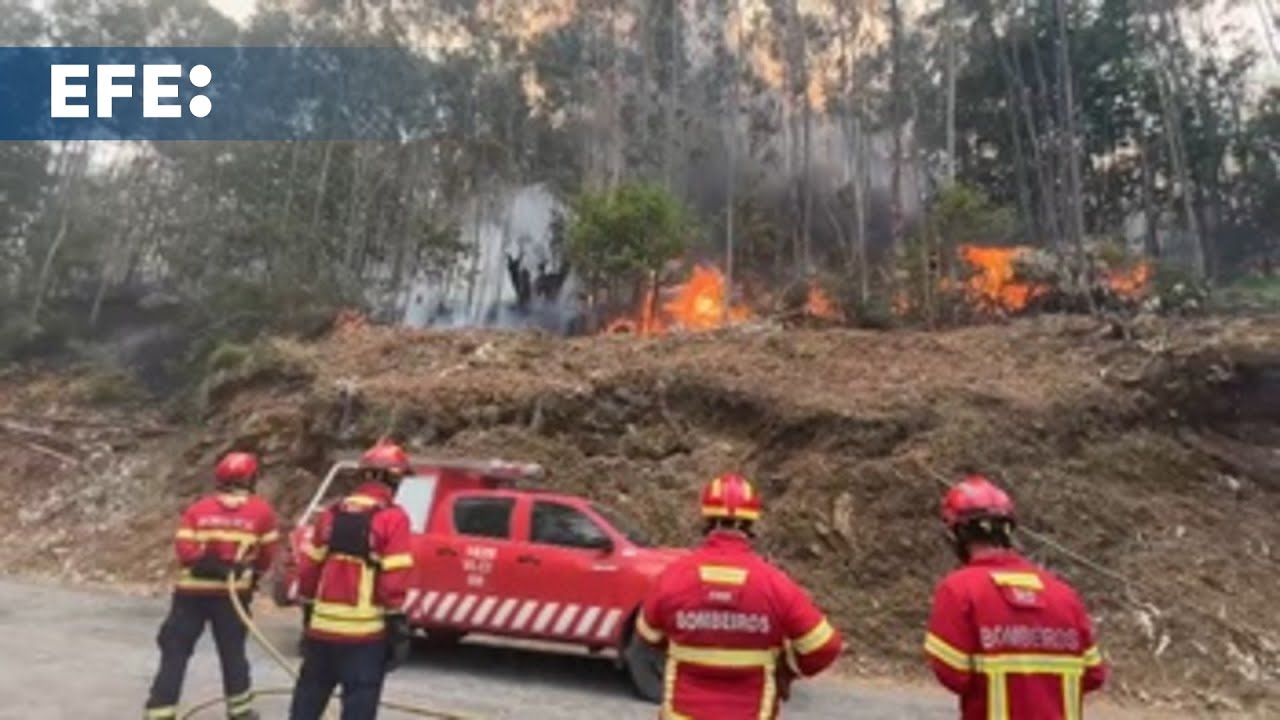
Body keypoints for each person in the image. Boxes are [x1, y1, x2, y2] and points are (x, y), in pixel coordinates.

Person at [634, 472, 843, 719]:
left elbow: (646, 634)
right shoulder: (773, 583)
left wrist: (689, 637)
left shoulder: (674, 577)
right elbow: (825, 646)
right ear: (751, 523)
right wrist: (787, 667)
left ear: (707, 518)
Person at [923, 474, 1109, 719]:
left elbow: (953, 674)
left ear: (956, 534)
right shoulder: (1063, 594)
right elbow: (1094, 674)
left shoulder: (959, 589)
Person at [144, 451, 279, 720]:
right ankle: (240, 711)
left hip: (190, 595)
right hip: (232, 597)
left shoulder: (198, 509)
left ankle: (160, 711)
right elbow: (267, 554)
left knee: (176, 651)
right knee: (233, 653)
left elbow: (184, 549)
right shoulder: (261, 512)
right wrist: (252, 576)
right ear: (252, 479)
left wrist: (208, 562)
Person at [288, 442, 415, 720]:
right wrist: (396, 623)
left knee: (307, 702)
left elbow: (309, 570)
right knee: (358, 705)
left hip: (321, 633)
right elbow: (393, 581)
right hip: (364, 638)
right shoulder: (393, 519)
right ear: (392, 479)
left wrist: (309, 612)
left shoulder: (330, 514)